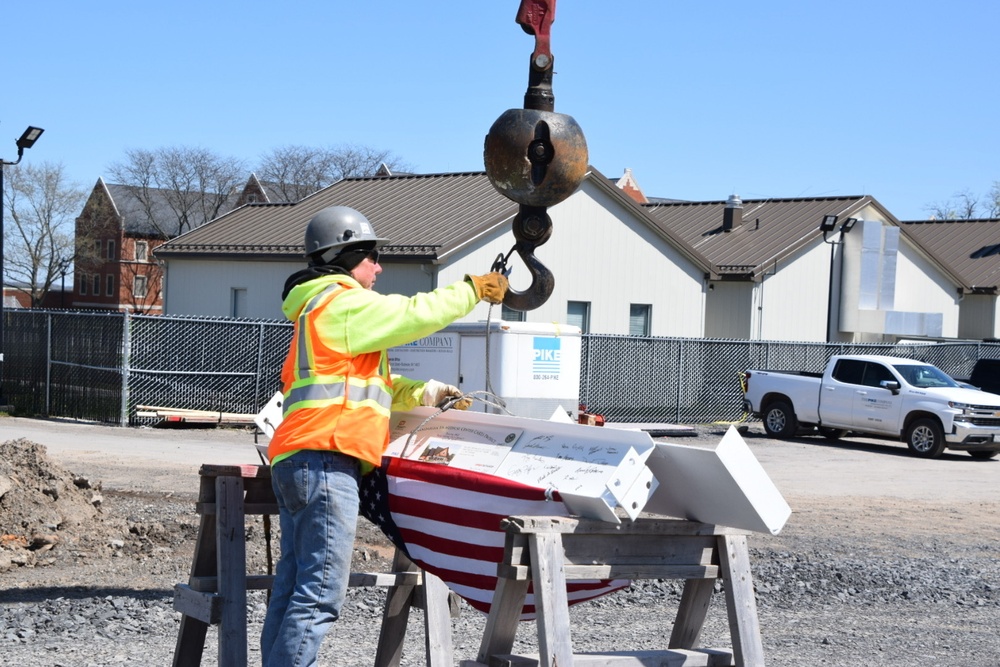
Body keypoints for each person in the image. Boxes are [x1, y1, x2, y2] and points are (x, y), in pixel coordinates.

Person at [260, 205, 508, 667]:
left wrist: (426, 392)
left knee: (292, 589)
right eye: (372, 256)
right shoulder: (344, 301)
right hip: (327, 461)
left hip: (297, 460)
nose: (378, 266)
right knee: (318, 598)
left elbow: (362, 385)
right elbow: (414, 314)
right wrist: (473, 289)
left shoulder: (315, 311)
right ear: (345, 256)